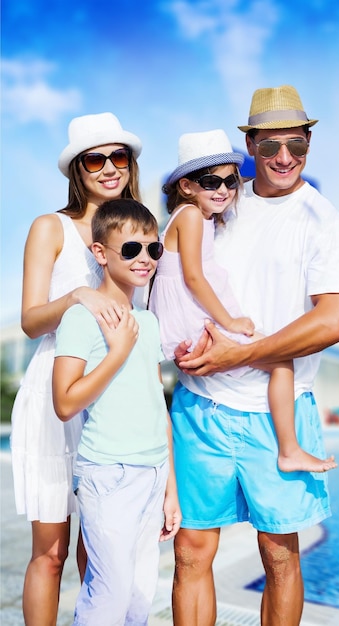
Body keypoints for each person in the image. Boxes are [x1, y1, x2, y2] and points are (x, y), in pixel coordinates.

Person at [170, 86, 339, 626]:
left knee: (278, 557)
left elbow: (335, 321)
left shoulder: (324, 221)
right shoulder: (220, 201)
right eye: (271, 144)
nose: (284, 157)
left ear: (309, 143)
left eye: (297, 145)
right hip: (200, 408)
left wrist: (236, 354)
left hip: (277, 413)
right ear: (248, 143)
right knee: (189, 554)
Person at [10, 112, 143, 626]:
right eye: (96, 158)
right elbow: (29, 320)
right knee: (52, 551)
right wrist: (78, 296)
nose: (109, 168)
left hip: (114, 393)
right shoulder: (51, 227)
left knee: (104, 554)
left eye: (119, 157)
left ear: (131, 164)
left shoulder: (136, 230)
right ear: (77, 168)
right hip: (55, 395)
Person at [150, 128, 335, 474]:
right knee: (281, 361)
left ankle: (287, 449)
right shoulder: (190, 217)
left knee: (276, 360)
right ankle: (289, 449)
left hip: (191, 318)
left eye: (230, 182)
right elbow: (193, 277)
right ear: (187, 187)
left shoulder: (202, 217)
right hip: (193, 319)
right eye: (210, 182)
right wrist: (231, 322)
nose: (222, 190)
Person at [52, 198, 181, 625]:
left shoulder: (147, 322)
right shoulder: (80, 319)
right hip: (108, 475)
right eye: (131, 249)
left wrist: (171, 489)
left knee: (140, 600)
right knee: (108, 597)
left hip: (153, 472)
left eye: (152, 249)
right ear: (100, 253)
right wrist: (116, 353)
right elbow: (65, 402)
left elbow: (156, 406)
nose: (144, 259)